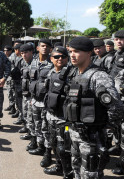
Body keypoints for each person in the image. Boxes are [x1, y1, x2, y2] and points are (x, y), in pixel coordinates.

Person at [64, 36, 123, 178]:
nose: (72, 55)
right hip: (74, 133)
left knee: (90, 175)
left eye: (77, 51)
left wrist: (100, 126)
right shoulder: (74, 73)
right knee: (77, 171)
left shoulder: (99, 77)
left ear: (89, 53)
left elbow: (117, 108)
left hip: (91, 138)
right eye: (71, 51)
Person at [43, 46, 73, 179]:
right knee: (54, 143)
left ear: (67, 58)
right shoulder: (50, 73)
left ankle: (68, 173)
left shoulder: (72, 74)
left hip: (64, 119)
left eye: (63, 56)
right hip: (51, 116)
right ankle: (59, 167)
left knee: (64, 146)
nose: (60, 59)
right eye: (56, 57)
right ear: (51, 59)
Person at [27, 39, 53, 160]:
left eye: (47, 46)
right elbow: (31, 80)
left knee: (46, 128)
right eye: (42, 46)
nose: (45, 48)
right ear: (37, 48)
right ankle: (40, 146)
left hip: (46, 102)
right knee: (37, 124)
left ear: (50, 49)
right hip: (35, 100)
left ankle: (48, 153)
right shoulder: (33, 62)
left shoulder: (52, 63)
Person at [18, 44, 34, 137]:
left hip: (32, 94)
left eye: (26, 53)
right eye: (22, 53)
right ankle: (26, 127)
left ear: (31, 52)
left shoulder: (35, 63)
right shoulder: (22, 62)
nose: (24, 55)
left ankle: (31, 133)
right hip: (25, 92)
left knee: (31, 115)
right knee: (25, 112)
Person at [3, 45, 16, 114]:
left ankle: (13, 108)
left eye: (7, 50)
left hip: (11, 78)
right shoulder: (6, 57)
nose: (5, 52)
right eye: (4, 50)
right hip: (7, 78)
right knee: (9, 93)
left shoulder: (12, 57)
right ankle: (11, 106)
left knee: (12, 94)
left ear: (10, 51)